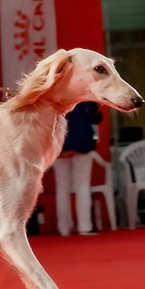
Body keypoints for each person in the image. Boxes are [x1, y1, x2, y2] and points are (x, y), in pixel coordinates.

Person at [53, 101, 102, 236]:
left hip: (59, 146)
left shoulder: (55, 95)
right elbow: (97, 117)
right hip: (81, 145)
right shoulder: (85, 97)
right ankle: (84, 226)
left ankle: (64, 228)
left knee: (62, 188)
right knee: (82, 186)